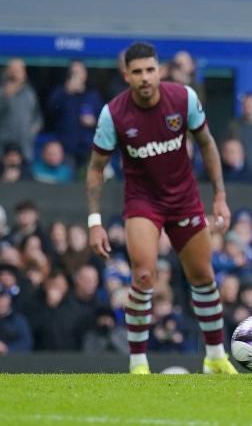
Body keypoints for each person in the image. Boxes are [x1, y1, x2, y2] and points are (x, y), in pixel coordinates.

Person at [86, 42, 236, 375]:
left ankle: (215, 357)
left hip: (184, 199)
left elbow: (208, 144)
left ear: (159, 70)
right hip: (143, 203)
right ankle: (138, 363)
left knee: (203, 276)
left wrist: (220, 196)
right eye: (137, 72)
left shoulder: (184, 99)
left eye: (150, 70)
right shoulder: (114, 113)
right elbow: (96, 167)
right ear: (126, 75)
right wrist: (94, 221)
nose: (144, 78)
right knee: (142, 276)